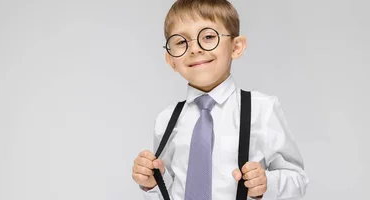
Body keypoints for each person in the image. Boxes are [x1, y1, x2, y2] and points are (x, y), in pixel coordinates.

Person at [132, 0, 309, 199]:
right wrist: (152, 182)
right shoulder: (166, 119)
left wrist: (267, 183)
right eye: (181, 42)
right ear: (170, 59)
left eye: (208, 37)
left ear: (236, 47)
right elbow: (173, 186)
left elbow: (298, 179)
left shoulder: (262, 109)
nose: (195, 49)